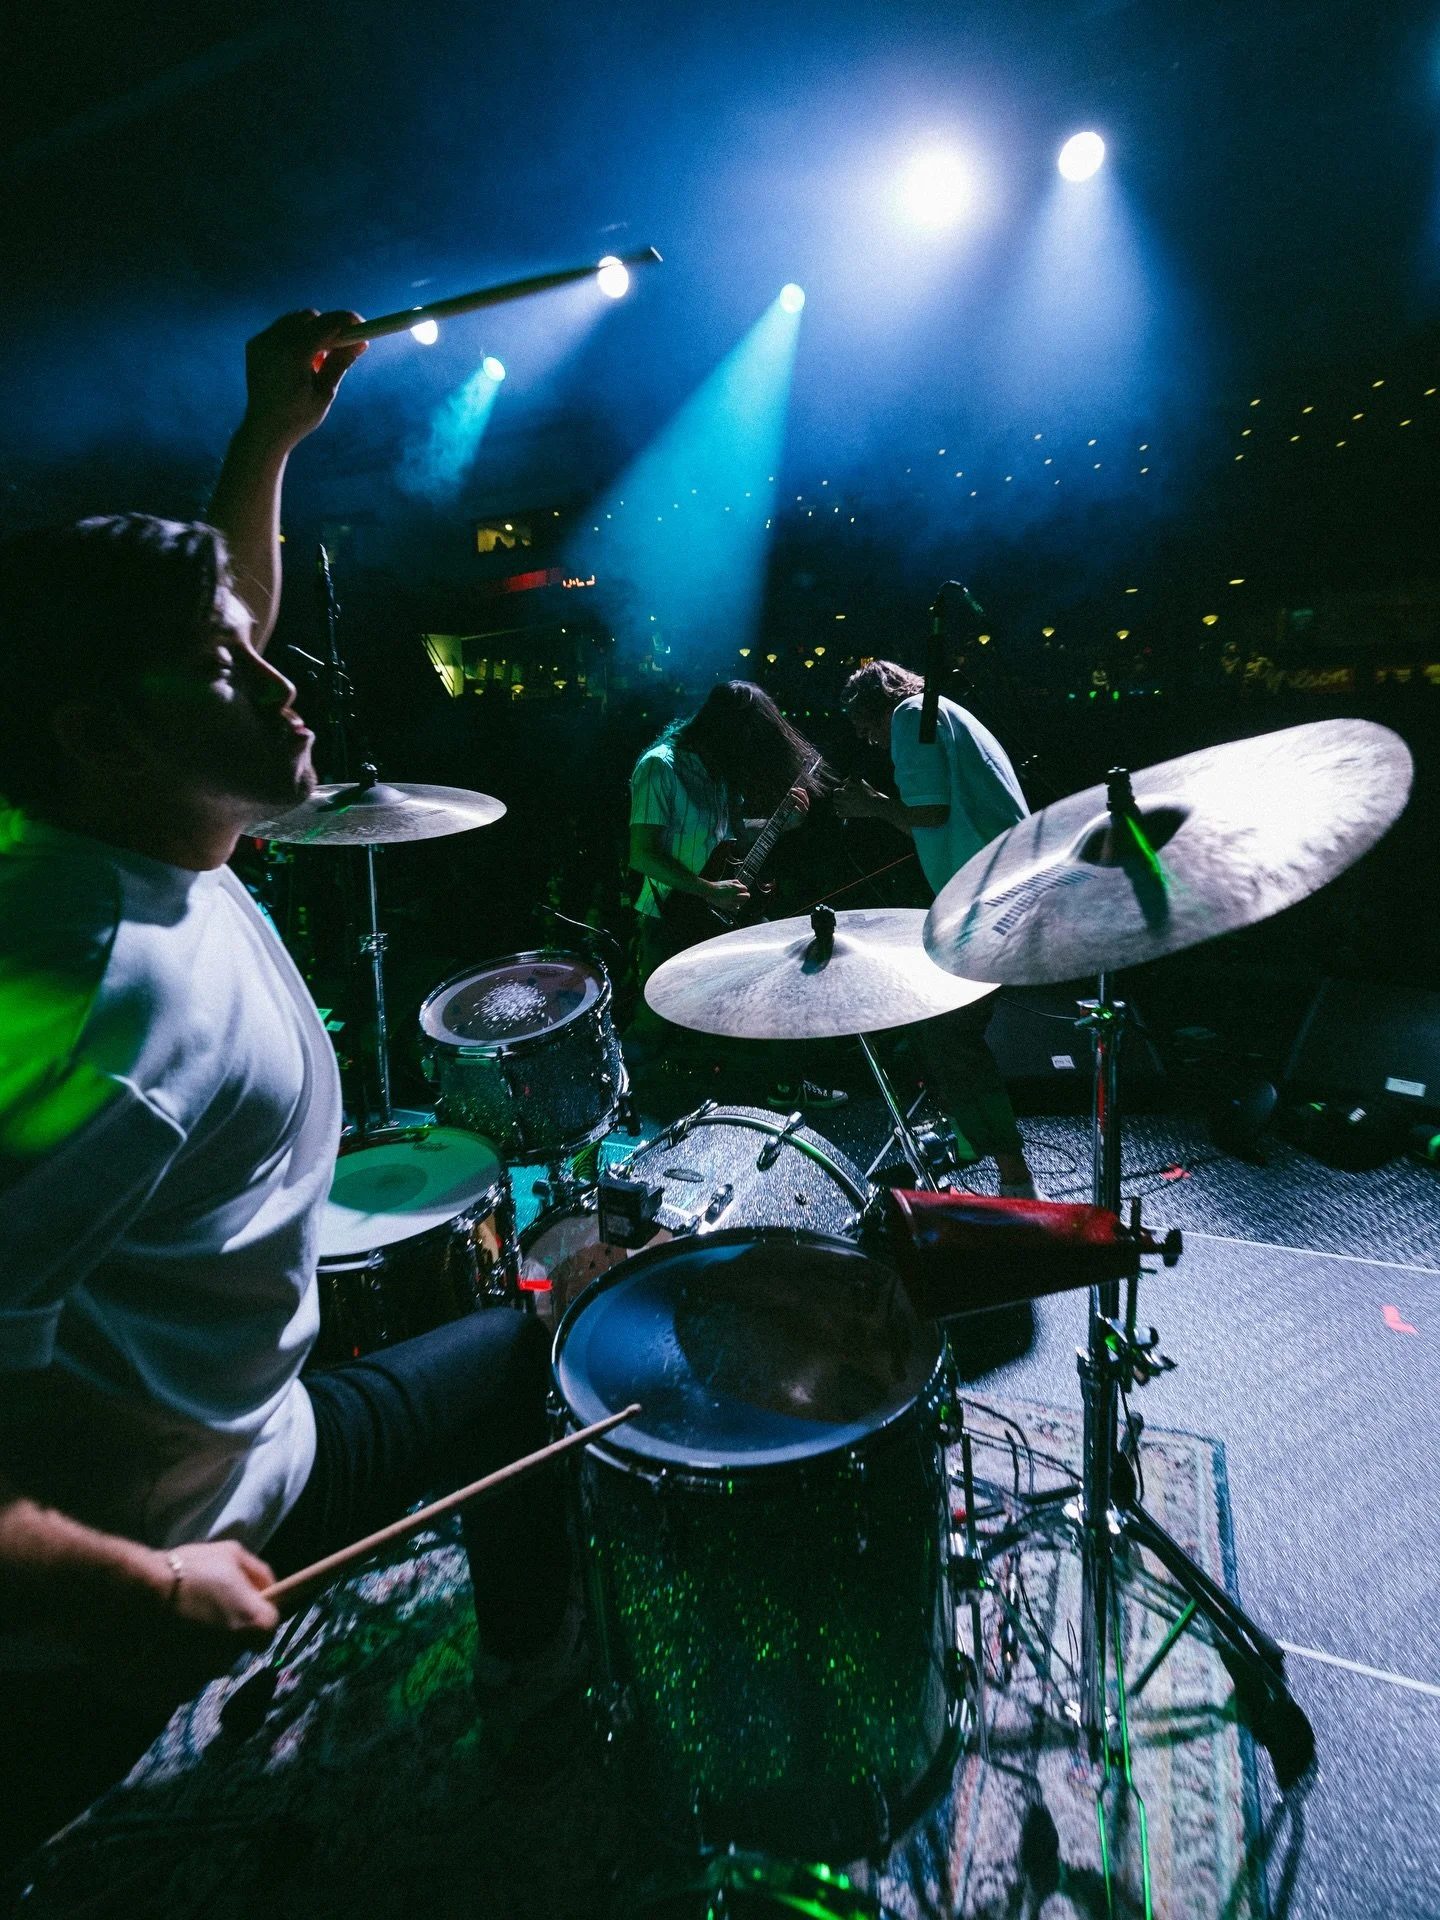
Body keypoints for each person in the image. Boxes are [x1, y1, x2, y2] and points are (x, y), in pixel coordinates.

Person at [0, 312, 570, 1872]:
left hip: (258, 1445)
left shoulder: (125, 823)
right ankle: (539, 1716)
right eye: (227, 666)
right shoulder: (101, 1008)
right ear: (105, 738)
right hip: (125, 1577)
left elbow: (220, 619)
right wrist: (130, 1591)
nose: (281, 669)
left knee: (515, 1353)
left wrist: (269, 434)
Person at [834, 658, 1042, 1197]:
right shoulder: (943, 713)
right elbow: (941, 817)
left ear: (875, 706)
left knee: (948, 1033)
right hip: (998, 887)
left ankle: (1014, 1175)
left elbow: (929, 812)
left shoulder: (911, 716)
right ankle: (968, 1137)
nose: (865, 738)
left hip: (991, 898)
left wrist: (871, 805)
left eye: (863, 724)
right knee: (937, 1027)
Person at [625, 679, 844, 1109]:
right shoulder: (659, 766)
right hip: (669, 919)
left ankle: (785, 1083)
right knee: (652, 1028)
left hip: (719, 911)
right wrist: (709, 890)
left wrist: (782, 823)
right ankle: (616, 1100)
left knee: (780, 982)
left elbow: (735, 837)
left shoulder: (717, 772)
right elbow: (642, 854)